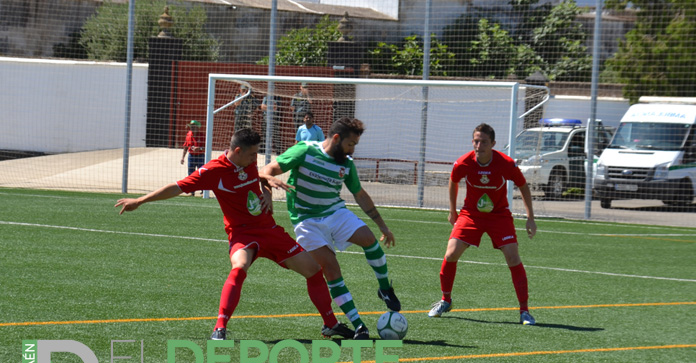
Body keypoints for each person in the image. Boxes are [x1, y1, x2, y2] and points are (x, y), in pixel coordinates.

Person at [115, 128, 358, 341]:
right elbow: (177, 187)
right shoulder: (213, 171)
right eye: (253, 154)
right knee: (239, 268)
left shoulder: (248, 163)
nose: (256, 159)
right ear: (238, 151)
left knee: (314, 270)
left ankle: (330, 324)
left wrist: (266, 189)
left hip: (270, 230)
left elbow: (256, 175)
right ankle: (220, 328)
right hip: (242, 234)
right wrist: (140, 200)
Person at [260, 117, 401, 340]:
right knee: (332, 270)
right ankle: (359, 326)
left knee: (370, 240)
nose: (352, 149)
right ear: (336, 138)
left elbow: (360, 194)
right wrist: (268, 178)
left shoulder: (346, 164)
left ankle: (384, 289)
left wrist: (383, 226)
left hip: (335, 212)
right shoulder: (304, 151)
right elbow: (269, 168)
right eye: (350, 144)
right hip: (306, 221)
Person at [428, 123, 538, 325]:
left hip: (499, 216)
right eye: (476, 141)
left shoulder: (505, 163)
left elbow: (522, 185)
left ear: (493, 144)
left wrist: (530, 218)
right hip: (471, 215)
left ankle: (524, 311)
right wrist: (452, 210)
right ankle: (445, 300)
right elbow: (453, 181)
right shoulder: (463, 162)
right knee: (451, 253)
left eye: (484, 142)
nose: (479, 146)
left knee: (513, 257)